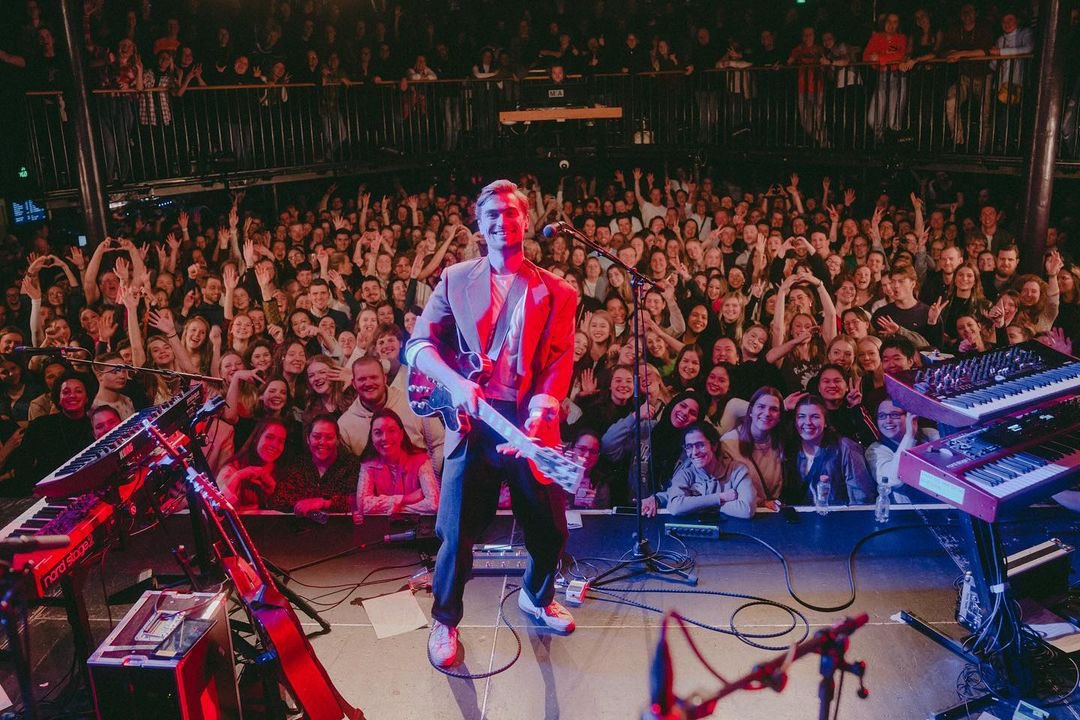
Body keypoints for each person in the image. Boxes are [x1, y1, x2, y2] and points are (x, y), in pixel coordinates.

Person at [404, 179, 578, 668]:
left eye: (510, 213)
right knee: (456, 534)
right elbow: (417, 347)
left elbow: (560, 360)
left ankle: (536, 597)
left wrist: (545, 407)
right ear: (480, 226)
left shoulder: (558, 291)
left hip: (526, 423)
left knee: (550, 531)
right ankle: (445, 620)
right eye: (492, 216)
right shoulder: (456, 278)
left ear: (525, 219)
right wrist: (456, 385)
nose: (502, 222)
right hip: (473, 420)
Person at [782, 394, 874, 506]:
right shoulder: (788, 448)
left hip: (836, 519)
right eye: (801, 416)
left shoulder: (846, 448)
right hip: (798, 520)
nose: (808, 422)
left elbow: (862, 498)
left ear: (825, 422)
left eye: (815, 416)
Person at [357, 408, 439, 515]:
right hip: (382, 528)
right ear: (371, 437)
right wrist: (406, 499)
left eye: (391, 431)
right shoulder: (368, 465)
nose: (385, 438)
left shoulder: (421, 460)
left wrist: (393, 508)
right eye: (378, 433)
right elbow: (363, 506)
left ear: (401, 434)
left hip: (418, 527)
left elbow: (433, 505)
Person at [665, 422, 757, 519]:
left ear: (714, 446)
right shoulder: (685, 474)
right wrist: (720, 498)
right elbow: (675, 507)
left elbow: (747, 510)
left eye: (700, 445)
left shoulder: (737, 470)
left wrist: (695, 505)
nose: (694, 452)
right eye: (689, 447)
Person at [272, 414, 359, 516]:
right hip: (301, 528)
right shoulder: (298, 465)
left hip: (341, 528)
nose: (322, 442)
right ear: (308, 439)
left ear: (338, 440)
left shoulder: (351, 465)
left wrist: (324, 503)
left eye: (329, 437)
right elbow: (279, 500)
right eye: (316, 437)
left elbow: (358, 501)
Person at [219, 418, 290, 510]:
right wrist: (238, 476)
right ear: (256, 438)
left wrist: (273, 493)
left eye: (281, 441)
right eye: (269, 437)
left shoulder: (283, 473)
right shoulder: (231, 469)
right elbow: (219, 509)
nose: (275, 445)